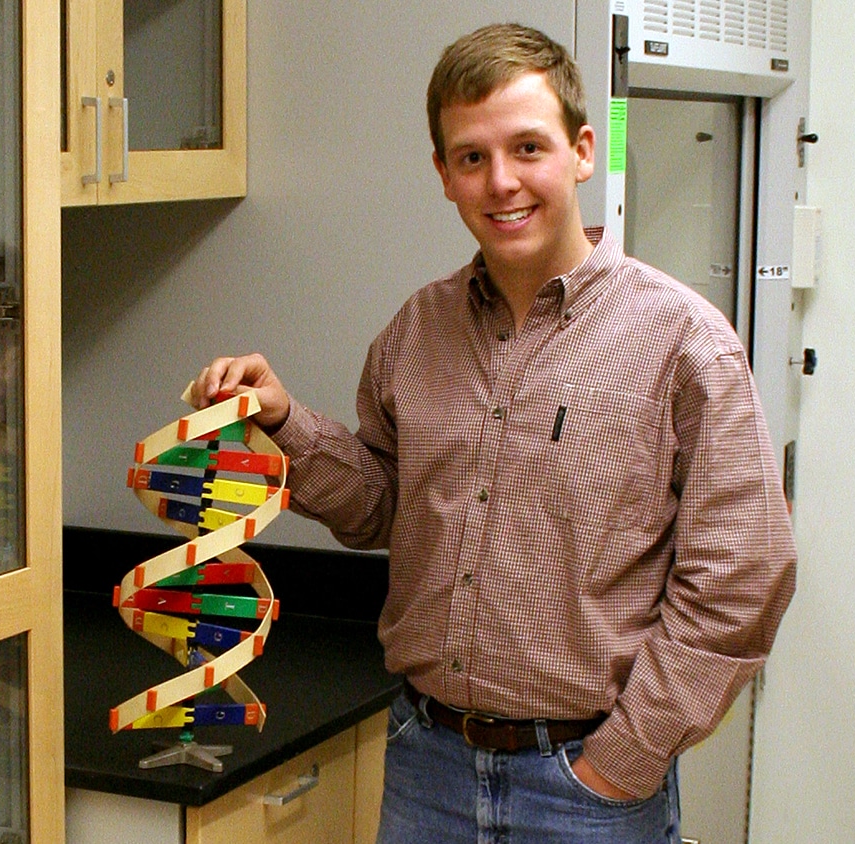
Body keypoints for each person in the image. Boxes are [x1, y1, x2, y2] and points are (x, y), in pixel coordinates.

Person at [189, 23, 796, 843]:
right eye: (472, 157)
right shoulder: (418, 328)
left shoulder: (683, 342)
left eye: (528, 148)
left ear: (582, 151)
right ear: (443, 174)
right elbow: (382, 503)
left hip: (589, 790)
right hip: (425, 766)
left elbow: (741, 578)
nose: (501, 181)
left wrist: (624, 757)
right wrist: (285, 423)